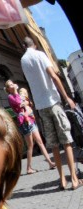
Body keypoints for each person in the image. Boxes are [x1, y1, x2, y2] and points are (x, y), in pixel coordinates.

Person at [20, 36, 79, 190]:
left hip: (40, 107)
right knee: (66, 141)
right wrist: (67, 97)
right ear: (35, 44)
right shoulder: (40, 55)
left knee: (53, 144)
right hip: (53, 102)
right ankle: (73, 179)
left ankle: (62, 180)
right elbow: (53, 76)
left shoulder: (23, 60)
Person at [5, 79, 56, 174]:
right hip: (24, 122)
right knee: (30, 145)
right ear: (8, 89)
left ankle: (50, 163)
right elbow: (18, 103)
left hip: (30, 120)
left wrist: (26, 102)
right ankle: (28, 168)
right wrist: (17, 93)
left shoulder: (18, 94)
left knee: (40, 142)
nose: (13, 85)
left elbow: (27, 102)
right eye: (10, 85)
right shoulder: (10, 96)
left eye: (13, 83)